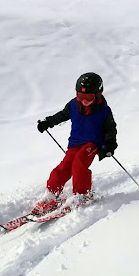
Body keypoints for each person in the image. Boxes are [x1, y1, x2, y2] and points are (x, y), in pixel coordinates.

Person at [32, 72, 117, 215]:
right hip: (75, 142)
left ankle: (83, 195)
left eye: (89, 97)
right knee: (64, 166)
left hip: (92, 143)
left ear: (98, 94)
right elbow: (61, 115)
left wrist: (110, 144)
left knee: (79, 163)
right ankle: (52, 194)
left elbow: (110, 130)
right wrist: (48, 122)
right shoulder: (73, 105)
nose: (84, 100)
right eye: (81, 96)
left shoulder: (104, 111)